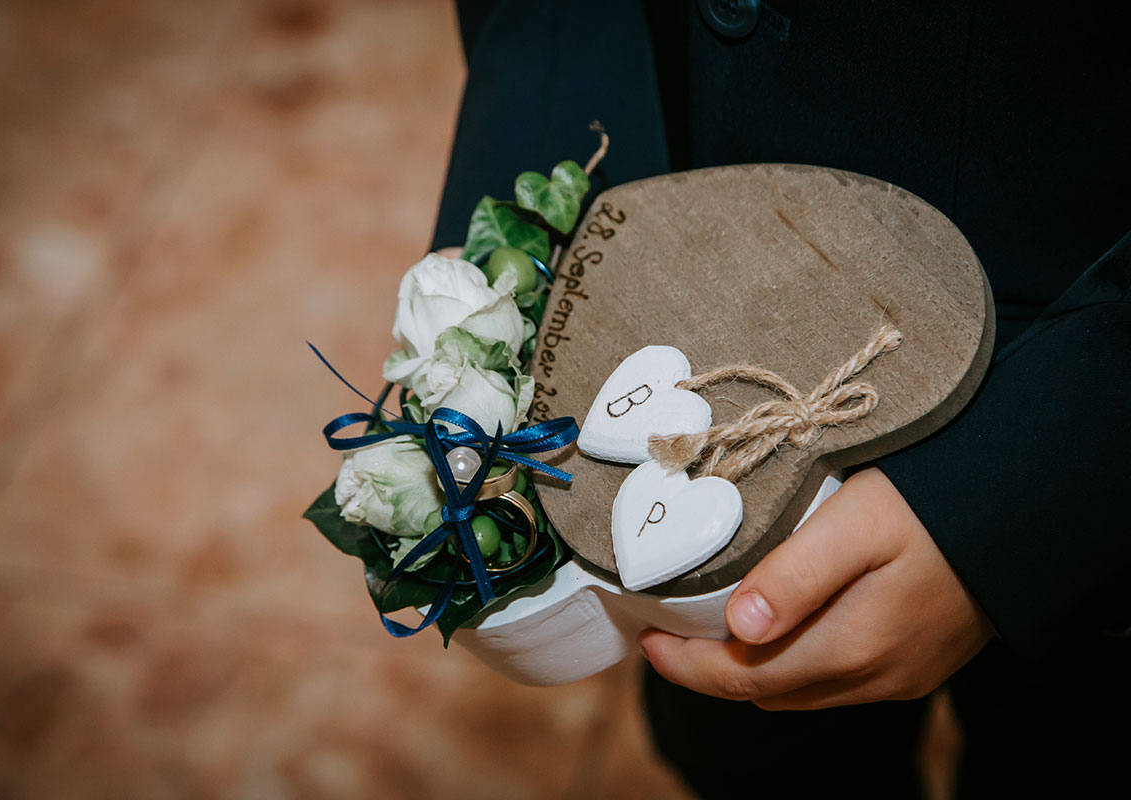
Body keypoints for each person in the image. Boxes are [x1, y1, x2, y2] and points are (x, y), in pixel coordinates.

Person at [431, 2, 1131, 795]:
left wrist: (1023, 495)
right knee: (752, 754)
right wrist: (531, 231)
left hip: (1074, 329)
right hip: (676, 249)